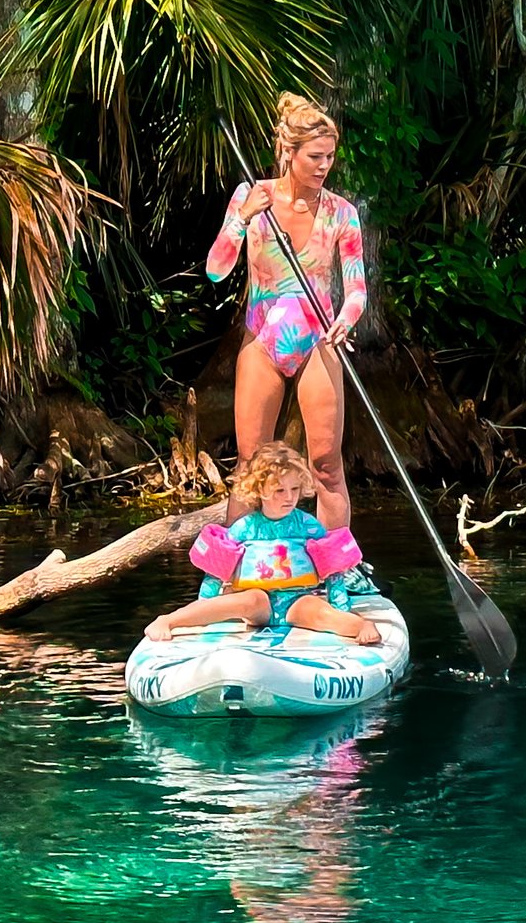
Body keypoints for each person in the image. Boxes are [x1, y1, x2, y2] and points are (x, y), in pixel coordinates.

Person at [208, 92, 367, 527]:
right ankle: (238, 565)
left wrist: (346, 320)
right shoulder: (252, 196)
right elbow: (216, 271)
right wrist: (242, 218)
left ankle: (338, 568)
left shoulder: (341, 213)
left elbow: (356, 291)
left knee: (327, 466)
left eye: (330, 157)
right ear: (287, 152)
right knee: (250, 464)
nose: (324, 166)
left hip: (318, 339)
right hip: (262, 341)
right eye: (315, 156)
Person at [145, 441, 382, 643]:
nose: (289, 497)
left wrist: (340, 607)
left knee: (318, 611)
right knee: (247, 600)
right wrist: (206, 607)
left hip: (297, 599)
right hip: (259, 600)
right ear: (259, 489)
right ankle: (168, 620)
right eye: (279, 490)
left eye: (295, 488)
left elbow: (333, 570)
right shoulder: (244, 528)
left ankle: (360, 626)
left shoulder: (309, 526)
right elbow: (216, 572)